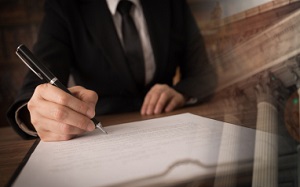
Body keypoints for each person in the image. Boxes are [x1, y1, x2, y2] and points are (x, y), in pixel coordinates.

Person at [7, 0, 217, 141]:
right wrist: (35, 114)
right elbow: (36, 86)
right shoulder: (65, 7)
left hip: (170, 125)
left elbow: (204, 74)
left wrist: (182, 92)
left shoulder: (172, 3)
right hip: (99, 129)